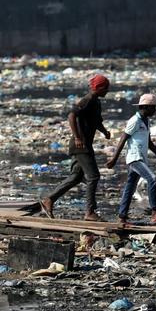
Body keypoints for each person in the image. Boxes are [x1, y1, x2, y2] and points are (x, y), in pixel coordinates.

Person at [39, 74, 112, 221]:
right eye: (105, 88)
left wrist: (104, 132)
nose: (107, 91)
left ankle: (49, 200)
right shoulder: (88, 100)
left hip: (85, 145)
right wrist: (78, 137)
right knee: (93, 176)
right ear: (98, 88)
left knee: (76, 177)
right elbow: (71, 116)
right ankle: (89, 212)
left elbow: (96, 121)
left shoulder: (96, 102)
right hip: (81, 145)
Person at [105, 93, 156, 227]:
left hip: (141, 158)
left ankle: (122, 217)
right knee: (152, 178)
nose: (155, 110)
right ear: (146, 107)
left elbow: (148, 142)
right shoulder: (134, 121)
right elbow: (123, 138)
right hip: (134, 158)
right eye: (153, 108)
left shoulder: (146, 121)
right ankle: (154, 212)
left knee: (130, 188)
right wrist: (114, 159)